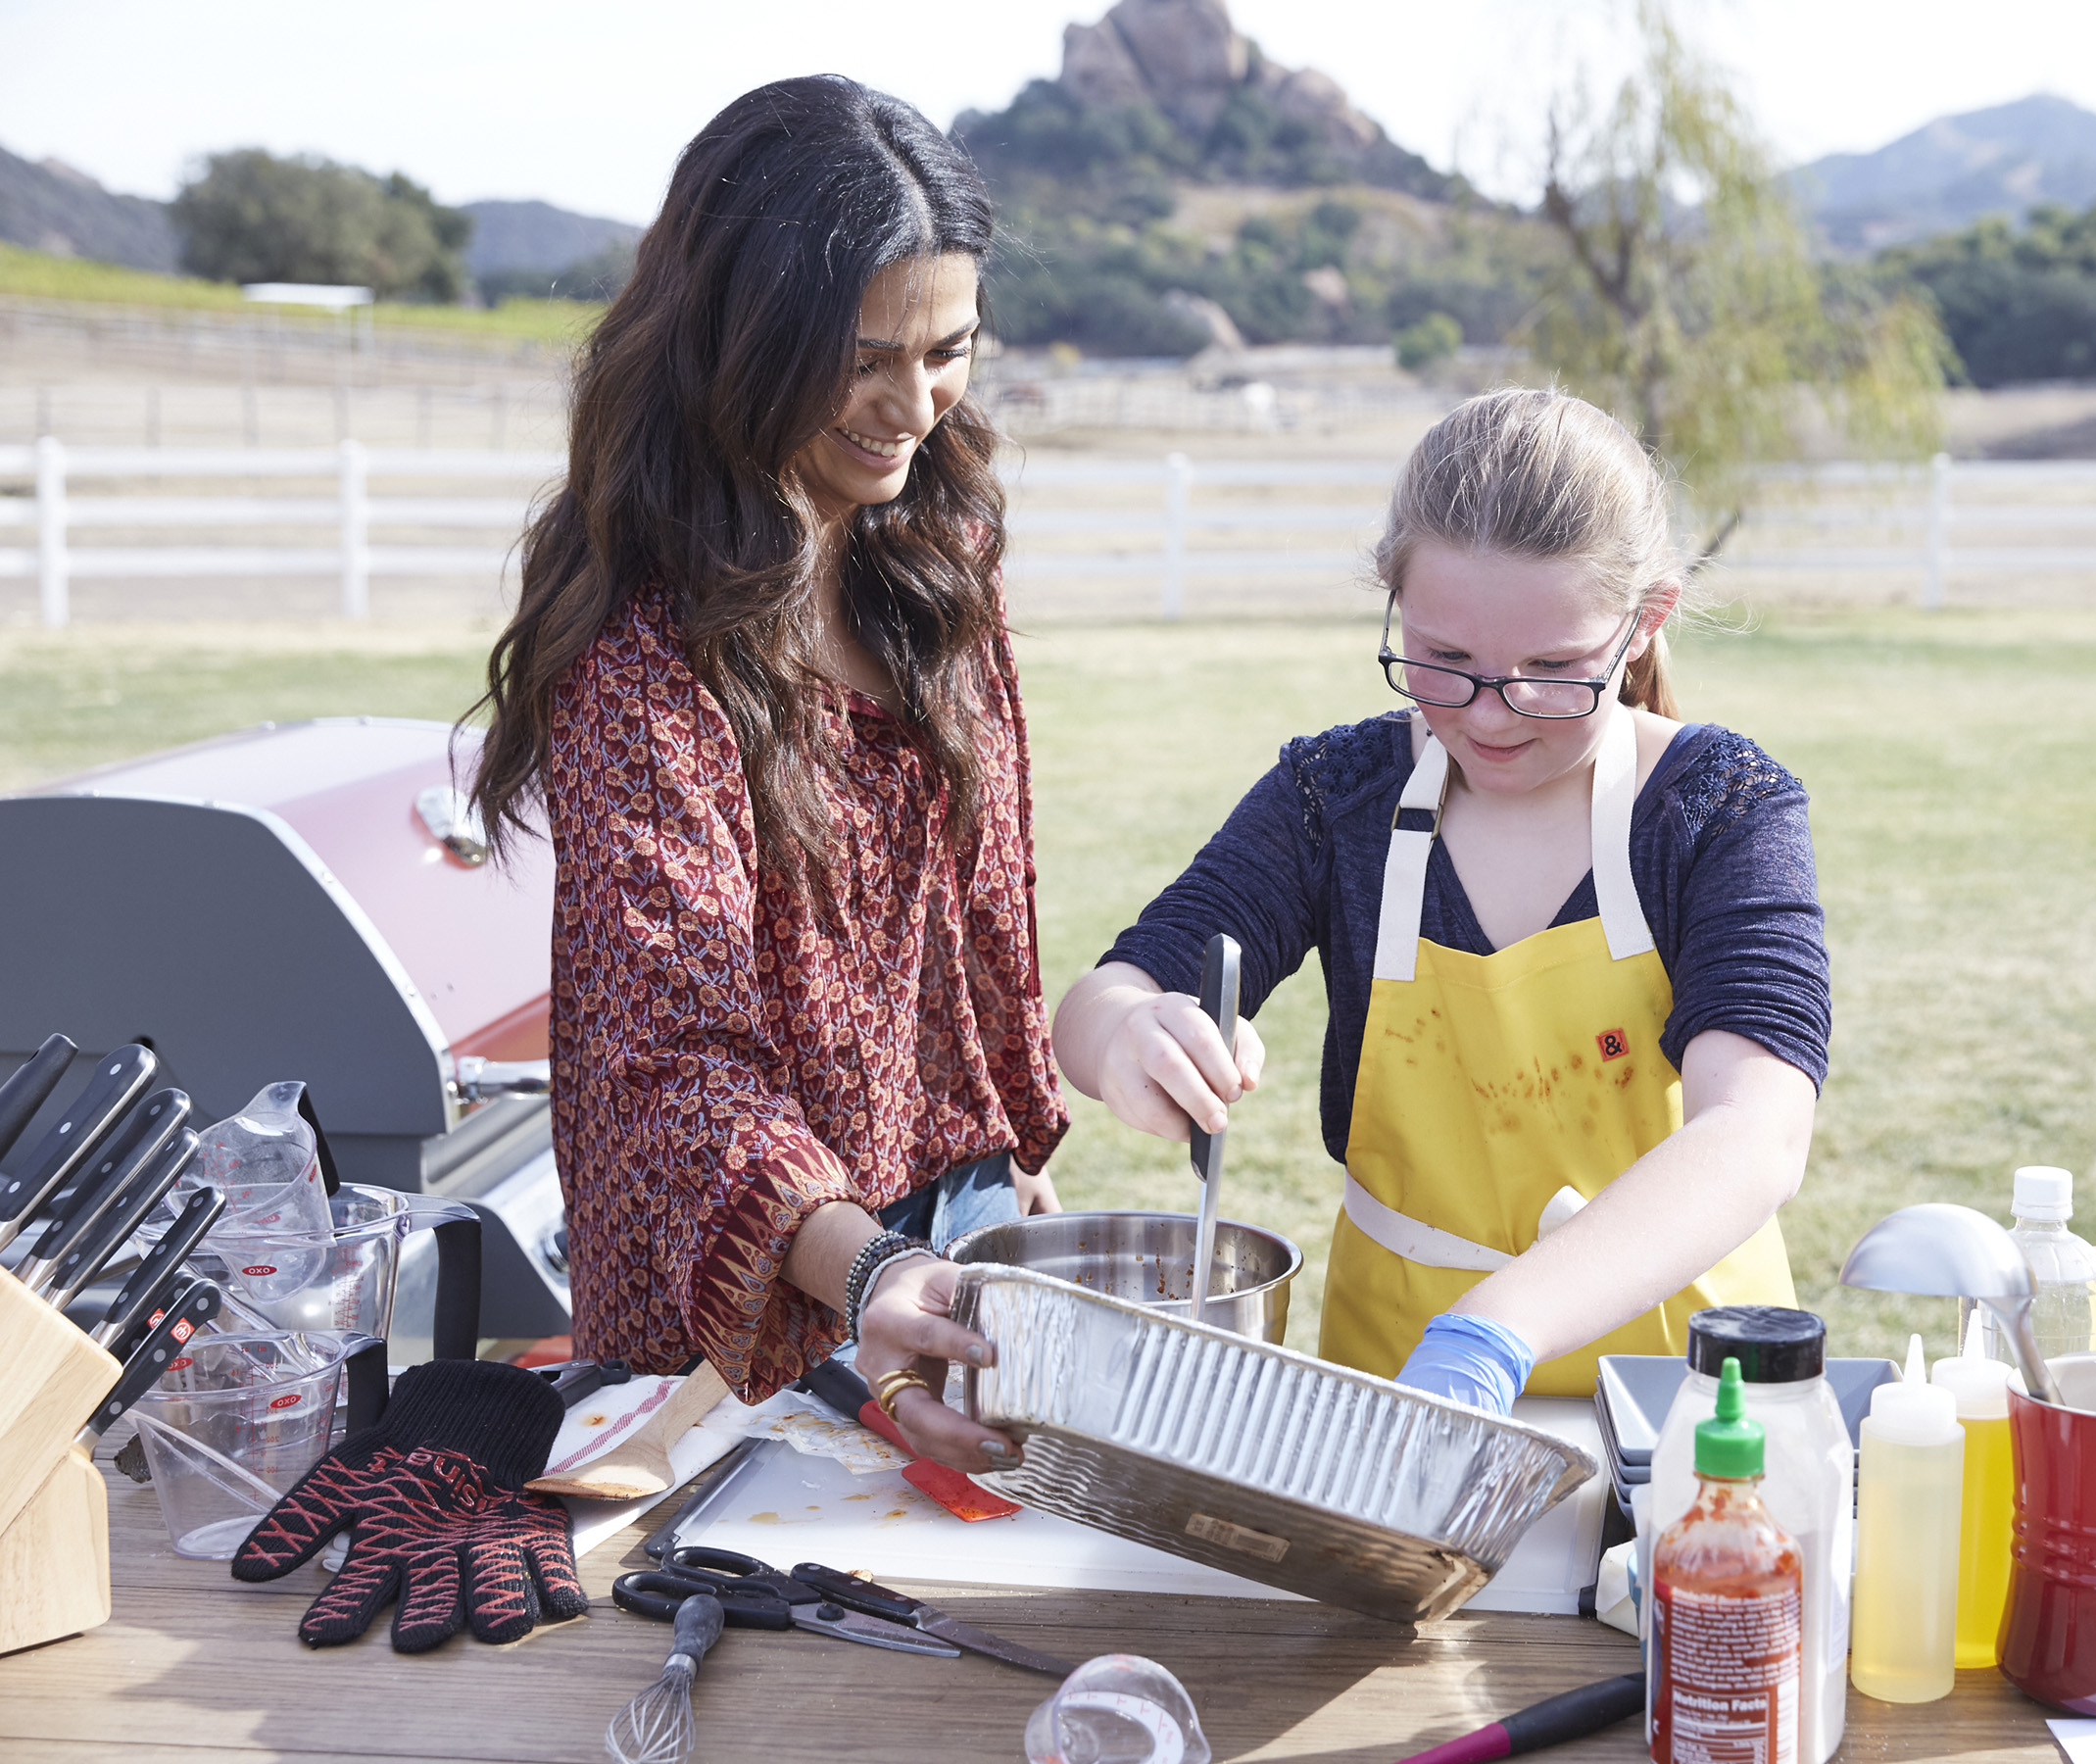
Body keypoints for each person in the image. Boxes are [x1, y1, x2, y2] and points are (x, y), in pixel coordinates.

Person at [470, 76, 1054, 1472]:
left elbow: (987, 898)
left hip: (947, 1233)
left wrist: (1016, 1148)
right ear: (742, 335)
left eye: (947, 349)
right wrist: (860, 1282)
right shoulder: (643, 650)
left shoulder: (936, 547)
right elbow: (673, 1059)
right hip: (735, 1298)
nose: (911, 407)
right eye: (860, 360)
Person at [1052, 390, 1828, 1413]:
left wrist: (1494, 1330)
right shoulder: (1336, 800)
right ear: (1394, 601)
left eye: (1552, 671)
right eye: (1444, 662)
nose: (1492, 714)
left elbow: (1756, 1132)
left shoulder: (1719, 808)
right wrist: (1128, 1035)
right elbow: (1105, 995)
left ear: (1644, 625)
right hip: (1397, 1388)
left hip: (1682, 1403)